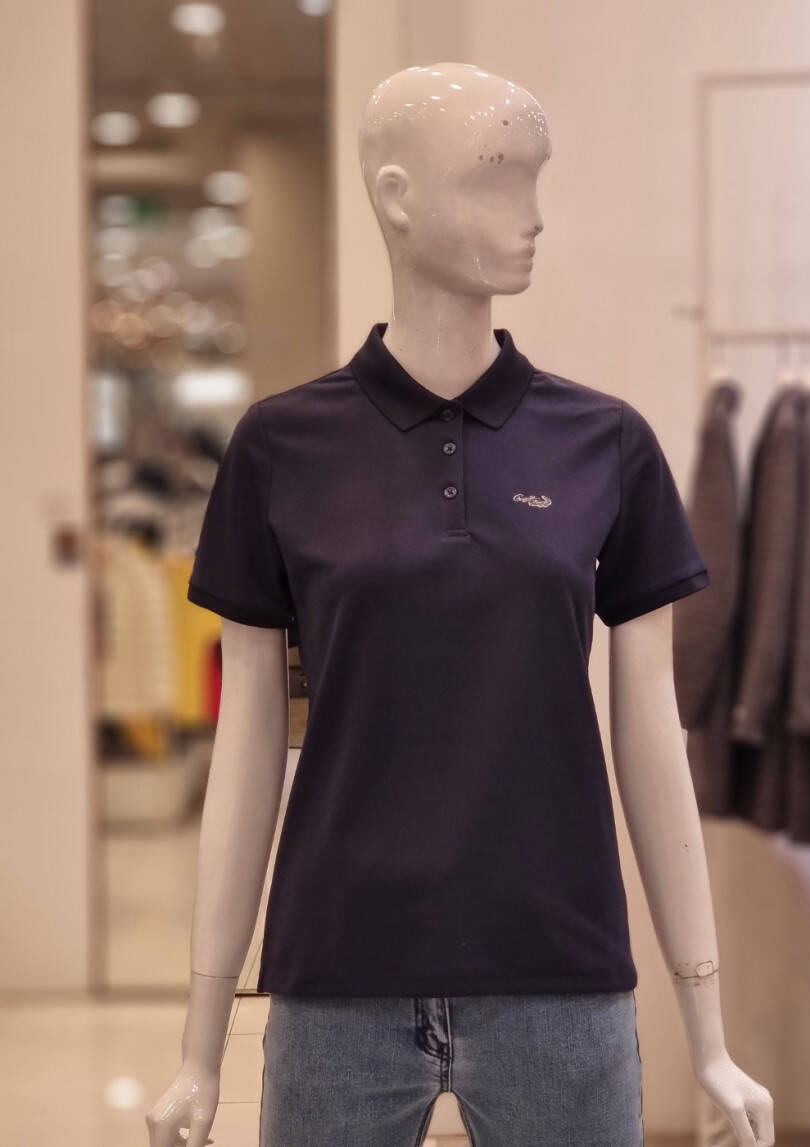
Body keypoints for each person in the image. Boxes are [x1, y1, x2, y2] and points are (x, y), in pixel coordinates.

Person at [146, 61, 774, 1147]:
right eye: (495, 179)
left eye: (535, 182)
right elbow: (247, 743)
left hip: (559, 978)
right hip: (337, 983)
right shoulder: (281, 447)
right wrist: (201, 1047)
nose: (532, 217)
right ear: (396, 198)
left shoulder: (607, 445)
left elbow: (650, 740)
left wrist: (707, 1032)